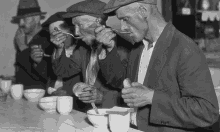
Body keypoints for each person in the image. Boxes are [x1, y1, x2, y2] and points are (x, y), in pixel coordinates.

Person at [94, 0, 219, 131]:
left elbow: (207, 111)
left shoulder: (185, 48)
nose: (123, 27)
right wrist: (109, 50)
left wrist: (151, 97)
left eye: (125, 19)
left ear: (143, 11)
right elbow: (121, 82)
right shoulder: (138, 47)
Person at [51, 0, 132, 112]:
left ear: (98, 22)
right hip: (90, 114)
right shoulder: (84, 47)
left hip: (115, 115)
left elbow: (131, 91)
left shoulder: (123, 48)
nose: (76, 32)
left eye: (79, 25)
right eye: (74, 26)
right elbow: (63, 71)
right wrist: (60, 48)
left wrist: (102, 97)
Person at [12, 0, 56, 90]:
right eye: (19, 20)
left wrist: (23, 48)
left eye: (24, 19)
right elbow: (23, 69)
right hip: (22, 94)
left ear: (36, 18)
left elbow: (49, 76)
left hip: (40, 96)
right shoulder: (21, 38)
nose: (20, 23)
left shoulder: (50, 39)